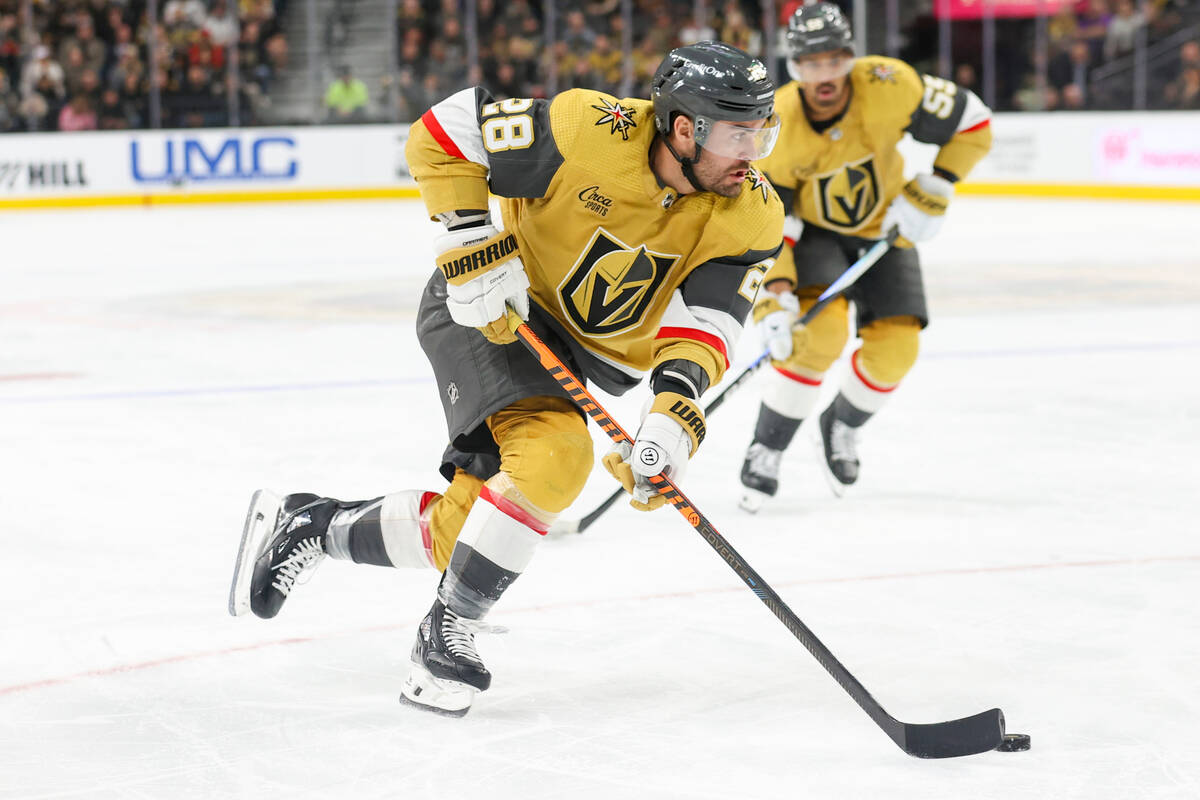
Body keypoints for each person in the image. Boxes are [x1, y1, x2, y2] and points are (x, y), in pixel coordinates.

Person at [230, 42, 784, 716]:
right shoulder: (590, 129)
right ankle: (447, 630)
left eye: (763, 129)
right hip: (493, 311)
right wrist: (469, 245)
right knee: (557, 458)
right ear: (684, 127)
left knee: (462, 532)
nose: (754, 150)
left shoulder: (752, 210)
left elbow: (704, 325)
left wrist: (671, 417)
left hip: (578, 354)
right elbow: (444, 130)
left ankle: (313, 526)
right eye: (738, 132)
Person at [736, 2, 992, 512]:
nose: (824, 74)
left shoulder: (890, 83)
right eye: (811, 63)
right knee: (816, 339)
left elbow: (973, 121)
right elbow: (766, 217)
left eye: (834, 60)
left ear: (851, 57)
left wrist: (937, 184)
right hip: (813, 237)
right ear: (793, 66)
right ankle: (768, 445)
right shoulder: (776, 122)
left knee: (898, 351)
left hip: (885, 229)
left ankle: (841, 425)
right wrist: (776, 296)